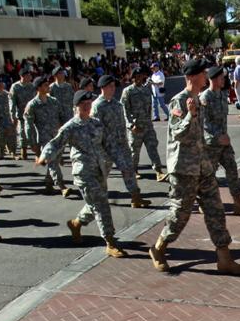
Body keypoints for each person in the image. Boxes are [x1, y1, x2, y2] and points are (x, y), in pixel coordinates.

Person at [150, 59, 240, 275]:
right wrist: (190, 115)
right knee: (180, 216)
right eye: (203, 74)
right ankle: (159, 248)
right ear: (193, 77)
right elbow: (178, 134)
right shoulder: (180, 102)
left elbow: (201, 135)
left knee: (216, 211)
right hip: (184, 169)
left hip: (203, 166)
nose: (206, 76)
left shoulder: (199, 100)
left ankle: (224, 259)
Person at [38, 90, 128, 258]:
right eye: (83, 105)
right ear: (76, 106)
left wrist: (124, 165)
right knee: (101, 204)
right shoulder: (71, 126)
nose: (87, 107)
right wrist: (44, 156)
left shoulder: (97, 124)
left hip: (99, 170)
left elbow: (110, 145)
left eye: (89, 104)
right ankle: (110, 241)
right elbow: (55, 144)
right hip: (83, 173)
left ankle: (76, 223)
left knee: (94, 203)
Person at [92, 74, 150, 208]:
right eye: (110, 86)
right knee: (102, 174)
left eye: (113, 86)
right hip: (106, 146)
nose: (113, 89)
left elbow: (123, 123)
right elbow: (96, 129)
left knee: (128, 169)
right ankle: (97, 199)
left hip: (121, 144)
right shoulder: (97, 106)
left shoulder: (117, 105)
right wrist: (99, 148)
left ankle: (136, 197)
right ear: (103, 87)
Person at [200, 65, 240, 215]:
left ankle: (238, 202)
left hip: (225, 142)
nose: (224, 80)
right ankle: (203, 202)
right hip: (211, 144)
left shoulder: (223, 95)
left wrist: (224, 136)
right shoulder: (205, 97)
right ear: (214, 79)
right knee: (208, 176)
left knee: (232, 170)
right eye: (221, 77)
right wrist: (217, 136)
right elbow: (203, 122)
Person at [24, 76, 69, 195]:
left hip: (57, 137)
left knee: (54, 160)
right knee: (53, 162)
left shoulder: (53, 101)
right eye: (45, 85)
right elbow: (28, 125)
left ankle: (48, 183)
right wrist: (32, 143)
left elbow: (62, 116)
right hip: (44, 139)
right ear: (38, 88)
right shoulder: (32, 105)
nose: (48, 86)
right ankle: (62, 186)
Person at [122, 66, 167, 182]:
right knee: (134, 151)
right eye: (136, 77)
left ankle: (159, 171)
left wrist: (149, 120)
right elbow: (124, 111)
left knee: (153, 147)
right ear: (132, 78)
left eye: (140, 76)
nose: (138, 79)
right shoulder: (128, 91)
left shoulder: (146, 90)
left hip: (147, 125)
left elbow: (149, 108)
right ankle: (133, 170)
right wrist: (131, 125)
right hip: (135, 127)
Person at [9, 68, 36, 160]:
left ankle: (37, 151)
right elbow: (12, 102)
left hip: (32, 113)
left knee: (34, 132)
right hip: (21, 114)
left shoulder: (32, 86)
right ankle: (23, 152)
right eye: (28, 75)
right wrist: (13, 115)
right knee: (22, 134)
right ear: (22, 76)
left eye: (30, 75)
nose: (30, 77)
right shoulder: (15, 87)